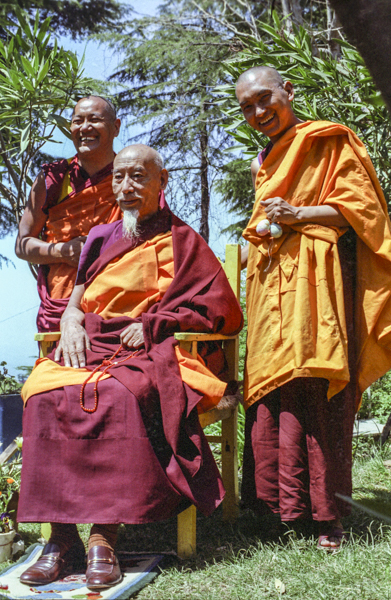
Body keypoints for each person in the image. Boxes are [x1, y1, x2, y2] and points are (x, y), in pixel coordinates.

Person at [17, 144, 243, 590]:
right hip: (93, 343)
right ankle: (62, 541)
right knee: (43, 395)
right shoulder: (100, 237)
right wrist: (70, 321)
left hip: (148, 351)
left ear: (162, 181)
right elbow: (75, 301)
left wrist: (157, 322)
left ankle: (103, 537)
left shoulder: (183, 240)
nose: (126, 187)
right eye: (120, 177)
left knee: (120, 396)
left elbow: (222, 311)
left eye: (138, 177)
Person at [235, 66, 391, 549]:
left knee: (319, 387)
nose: (260, 112)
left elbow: (363, 211)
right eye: (248, 107)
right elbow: (264, 219)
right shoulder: (265, 158)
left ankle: (327, 516)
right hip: (271, 289)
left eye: (266, 99)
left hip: (320, 282)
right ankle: (278, 512)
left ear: (289, 92)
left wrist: (298, 214)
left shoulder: (328, 141)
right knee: (273, 394)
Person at [15, 96, 122, 332]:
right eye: (78, 121)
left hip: (118, 299)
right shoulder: (53, 179)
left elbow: (155, 240)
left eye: (94, 120)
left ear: (116, 127)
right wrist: (63, 252)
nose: (85, 128)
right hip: (60, 303)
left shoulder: (130, 177)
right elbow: (22, 245)